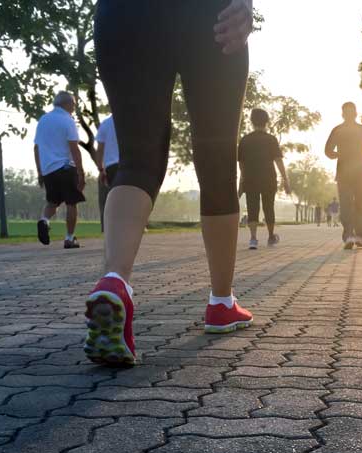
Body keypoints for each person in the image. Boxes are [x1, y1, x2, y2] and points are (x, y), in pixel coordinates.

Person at [84, 0, 254, 367]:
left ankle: (114, 282)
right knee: (217, 161)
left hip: (124, 16)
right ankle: (221, 304)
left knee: (136, 161)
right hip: (208, 16)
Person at [34, 91, 86, 249]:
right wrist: (81, 173)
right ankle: (70, 238)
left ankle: (44, 220)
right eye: (74, 105)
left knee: (53, 202)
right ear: (68, 104)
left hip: (48, 169)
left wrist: (40, 172)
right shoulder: (67, 120)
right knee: (72, 203)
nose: (74, 108)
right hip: (65, 166)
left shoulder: (43, 120)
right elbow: (74, 148)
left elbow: (36, 148)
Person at [325, 102, 362, 249]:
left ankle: (359, 235)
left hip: (360, 172)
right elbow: (328, 150)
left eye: (350, 112)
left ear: (355, 114)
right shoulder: (338, 130)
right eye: (346, 112)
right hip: (344, 174)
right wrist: (338, 154)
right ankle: (349, 235)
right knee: (347, 204)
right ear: (343, 114)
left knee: (359, 203)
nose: (348, 115)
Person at [238, 108, 291, 249]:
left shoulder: (245, 140)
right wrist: (286, 180)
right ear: (266, 121)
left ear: (251, 121)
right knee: (269, 207)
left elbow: (241, 164)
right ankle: (271, 236)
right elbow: (278, 161)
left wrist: (241, 182)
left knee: (252, 208)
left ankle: (253, 239)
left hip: (250, 179)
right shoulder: (271, 140)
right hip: (268, 178)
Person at [96, 114, 119, 231]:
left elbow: (100, 149)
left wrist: (100, 169)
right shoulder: (132, 121)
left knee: (109, 199)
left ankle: (107, 228)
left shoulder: (105, 124)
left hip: (111, 167)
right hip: (128, 166)